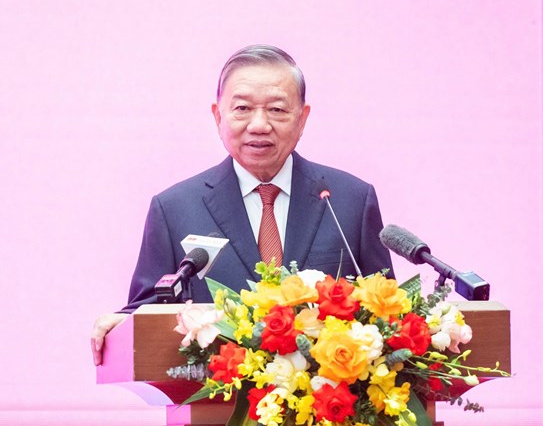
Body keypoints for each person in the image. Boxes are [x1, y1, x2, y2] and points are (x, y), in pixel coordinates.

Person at [91, 44, 395, 365]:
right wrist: (122, 323)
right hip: (218, 391)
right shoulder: (174, 209)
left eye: (277, 109)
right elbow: (149, 311)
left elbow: (388, 314)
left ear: (302, 118)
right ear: (218, 116)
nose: (259, 124)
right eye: (242, 108)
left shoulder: (350, 200)